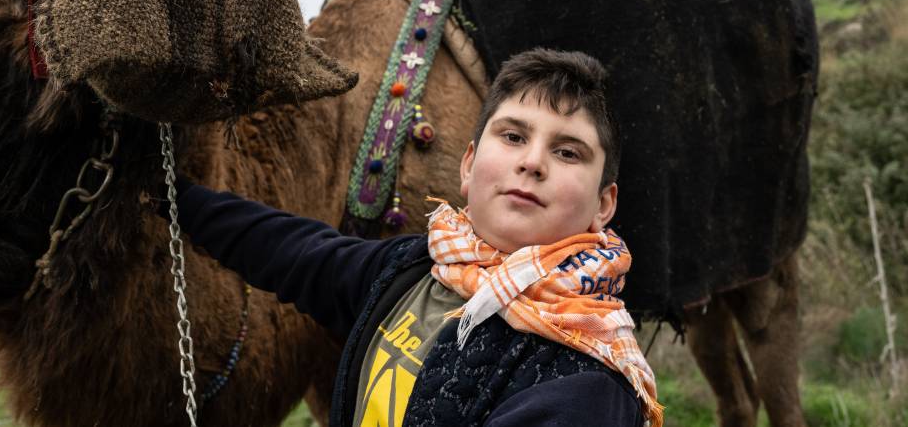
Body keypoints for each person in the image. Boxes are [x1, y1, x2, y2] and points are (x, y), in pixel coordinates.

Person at [163, 48, 661, 427]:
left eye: (568, 152)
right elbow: (292, 250)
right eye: (513, 136)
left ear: (603, 204)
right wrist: (172, 195)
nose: (532, 162)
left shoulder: (587, 385)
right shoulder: (414, 270)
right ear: (468, 166)